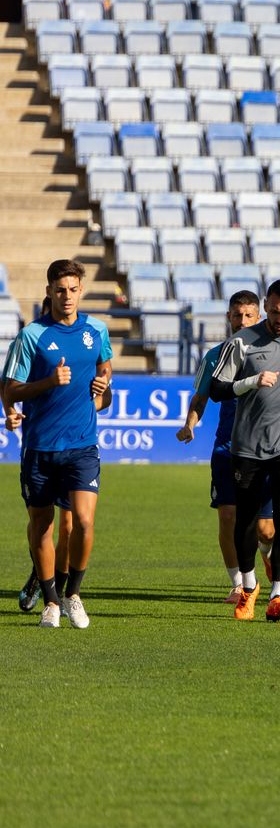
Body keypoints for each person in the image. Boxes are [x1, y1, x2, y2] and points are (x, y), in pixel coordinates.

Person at [2, 259, 113, 628]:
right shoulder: (31, 335)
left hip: (82, 444)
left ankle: (73, 596)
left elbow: (105, 375)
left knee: (81, 521)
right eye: (60, 289)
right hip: (40, 446)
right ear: (49, 291)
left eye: (73, 289)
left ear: (81, 290)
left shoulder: (97, 330)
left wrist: (104, 388)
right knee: (43, 525)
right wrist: (49, 382)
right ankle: (50, 599)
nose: (67, 296)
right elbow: (11, 389)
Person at [208, 279, 280, 621]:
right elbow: (217, 388)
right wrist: (251, 382)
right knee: (245, 520)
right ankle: (249, 587)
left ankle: (278, 596)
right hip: (247, 445)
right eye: (274, 311)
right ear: (266, 306)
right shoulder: (241, 342)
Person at [177, 289, 277, 604]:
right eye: (237, 315)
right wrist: (190, 423)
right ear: (229, 317)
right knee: (228, 517)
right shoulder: (215, 355)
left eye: (249, 316)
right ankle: (238, 584)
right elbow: (201, 397)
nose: (243, 321)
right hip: (227, 448)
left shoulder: (273, 352)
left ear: (258, 317)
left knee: (265, 530)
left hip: (264, 450)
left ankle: (265, 551)